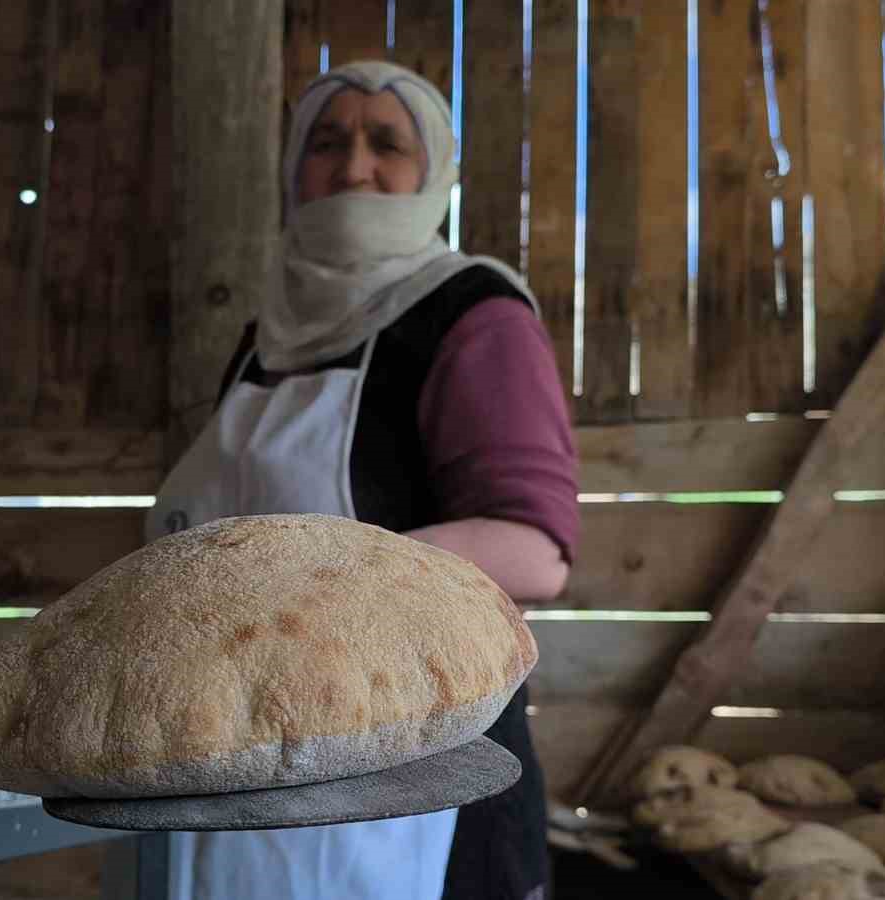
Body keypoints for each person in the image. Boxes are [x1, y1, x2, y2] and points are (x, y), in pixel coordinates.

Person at [144, 59, 579, 900]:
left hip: (420, 769)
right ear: (292, 169)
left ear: (436, 174)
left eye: (389, 144)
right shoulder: (266, 337)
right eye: (327, 142)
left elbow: (531, 551)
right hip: (250, 750)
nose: (352, 167)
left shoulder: (474, 315)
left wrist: (296, 590)